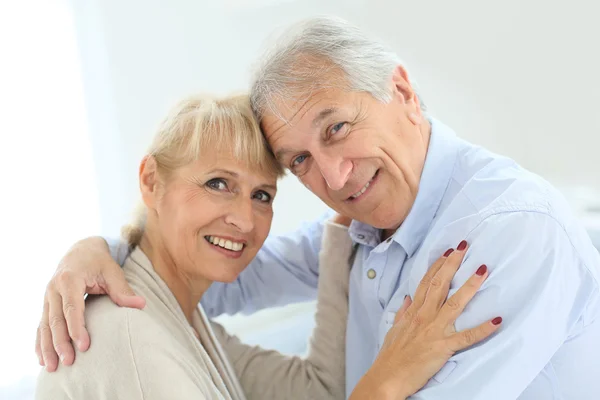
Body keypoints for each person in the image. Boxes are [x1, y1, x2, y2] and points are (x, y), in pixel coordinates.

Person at [37, 16, 600, 399]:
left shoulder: (510, 236)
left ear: (401, 91)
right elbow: (215, 271)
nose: (332, 175)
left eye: (337, 127)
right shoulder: (362, 230)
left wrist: (381, 383)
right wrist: (92, 254)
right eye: (299, 160)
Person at [35, 94, 498, 400]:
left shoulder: (186, 322)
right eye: (218, 183)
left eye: (262, 195)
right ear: (151, 181)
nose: (243, 219)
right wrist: (391, 378)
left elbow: (319, 392)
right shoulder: (131, 338)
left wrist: (341, 232)